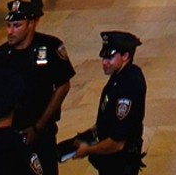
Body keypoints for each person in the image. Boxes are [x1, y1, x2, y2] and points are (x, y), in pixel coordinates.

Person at [0, 0, 75, 171]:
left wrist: (39, 126)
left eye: (17, 25)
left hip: (42, 131)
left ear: (32, 23)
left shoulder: (50, 47)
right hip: (11, 135)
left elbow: (63, 85)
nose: (10, 31)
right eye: (8, 25)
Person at [60, 31, 147, 174]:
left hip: (120, 164)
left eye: (110, 57)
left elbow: (117, 143)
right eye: (104, 57)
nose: (104, 63)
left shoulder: (128, 86)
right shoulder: (120, 75)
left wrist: (88, 150)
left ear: (126, 56)